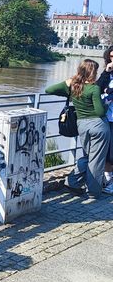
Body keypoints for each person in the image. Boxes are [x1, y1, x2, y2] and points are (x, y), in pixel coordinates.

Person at [46, 59, 111, 197]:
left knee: (88, 156)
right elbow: (100, 112)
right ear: (92, 71)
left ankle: (73, 182)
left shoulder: (73, 86)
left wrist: (67, 82)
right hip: (98, 125)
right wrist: (107, 102)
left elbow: (48, 89)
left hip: (82, 125)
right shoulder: (94, 88)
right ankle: (93, 192)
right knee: (96, 160)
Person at [96, 46, 113, 190]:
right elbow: (97, 89)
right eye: (111, 56)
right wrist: (106, 72)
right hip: (107, 117)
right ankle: (108, 180)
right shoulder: (108, 73)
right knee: (107, 151)